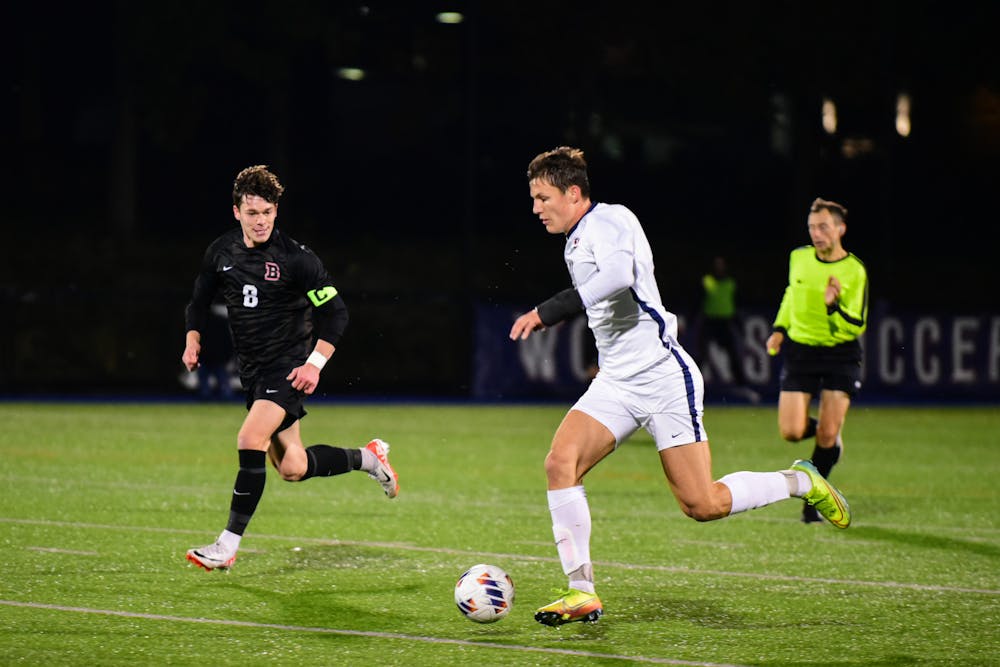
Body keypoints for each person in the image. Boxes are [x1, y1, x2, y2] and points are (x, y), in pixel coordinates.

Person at [509, 147, 851, 627]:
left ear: (573, 192)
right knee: (559, 462)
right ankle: (580, 591)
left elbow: (618, 276)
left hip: (663, 377)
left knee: (702, 504)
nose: (536, 208)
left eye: (542, 197)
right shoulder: (574, 240)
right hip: (616, 383)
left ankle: (800, 480)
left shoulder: (610, 220)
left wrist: (548, 311)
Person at [182, 165, 399, 571]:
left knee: (250, 439)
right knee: (293, 467)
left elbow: (336, 314)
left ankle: (226, 546)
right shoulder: (221, 253)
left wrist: (314, 364)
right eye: (252, 213)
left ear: (276, 211)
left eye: (267, 212)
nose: (261, 220)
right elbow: (198, 299)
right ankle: (369, 458)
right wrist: (193, 337)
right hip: (254, 373)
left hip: (287, 369)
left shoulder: (297, 260)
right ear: (237, 213)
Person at [766, 198, 868, 524]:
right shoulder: (798, 257)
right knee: (791, 430)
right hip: (801, 351)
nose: (816, 233)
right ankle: (830, 436)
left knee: (824, 436)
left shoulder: (854, 270)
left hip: (841, 354)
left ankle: (813, 500)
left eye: (823, 226)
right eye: (812, 227)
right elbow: (790, 293)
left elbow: (858, 324)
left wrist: (834, 305)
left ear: (840, 229)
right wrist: (780, 329)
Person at [695, 255, 760, 403]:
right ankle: (692, 387)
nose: (719, 268)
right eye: (716, 265)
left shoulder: (731, 283)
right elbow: (697, 301)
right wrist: (694, 321)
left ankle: (742, 386)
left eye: (721, 265)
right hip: (709, 322)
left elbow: (735, 304)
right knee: (701, 356)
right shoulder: (707, 281)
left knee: (733, 355)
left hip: (725, 322)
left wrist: (739, 326)